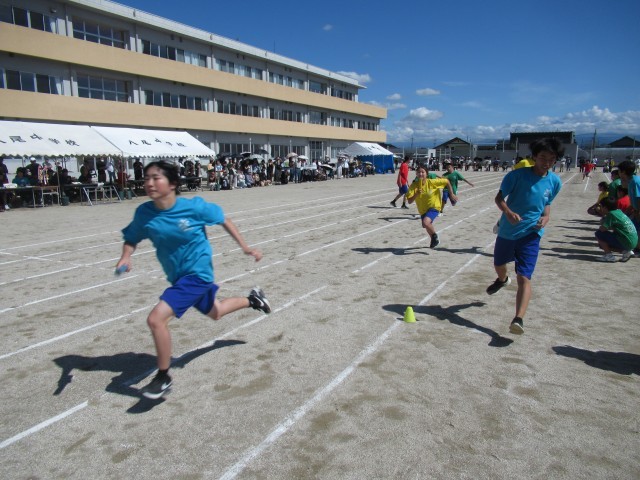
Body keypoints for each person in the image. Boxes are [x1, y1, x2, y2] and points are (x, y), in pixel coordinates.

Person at [116, 160, 271, 399]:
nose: (149, 183)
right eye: (146, 178)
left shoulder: (193, 208)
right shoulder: (145, 213)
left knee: (156, 319)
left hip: (197, 275)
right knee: (216, 312)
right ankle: (254, 300)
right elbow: (131, 237)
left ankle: (163, 377)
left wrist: (246, 247)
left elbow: (223, 219)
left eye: (156, 178)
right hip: (178, 278)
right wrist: (126, 256)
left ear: (172, 184)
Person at [486, 137, 564, 335]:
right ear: (534, 157)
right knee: (499, 264)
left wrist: (546, 217)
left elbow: (547, 204)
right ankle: (502, 279)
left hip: (531, 234)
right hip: (508, 231)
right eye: (543, 157)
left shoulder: (555, 182)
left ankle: (518, 319)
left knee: (524, 276)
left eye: (551, 159)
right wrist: (508, 212)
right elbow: (499, 198)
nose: (547, 162)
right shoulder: (516, 176)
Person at [406, 163, 457, 248]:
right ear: (416, 174)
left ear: (427, 174)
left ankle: (435, 236)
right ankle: (434, 239)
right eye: (419, 172)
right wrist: (416, 194)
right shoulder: (414, 186)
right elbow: (409, 201)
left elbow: (446, 181)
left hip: (434, 206)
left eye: (423, 172)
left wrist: (451, 194)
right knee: (425, 225)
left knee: (426, 222)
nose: (421, 174)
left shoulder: (432, 182)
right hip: (423, 210)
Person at [595, 196, 638, 262]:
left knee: (599, 234)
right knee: (606, 240)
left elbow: (602, 229)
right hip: (633, 241)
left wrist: (602, 215)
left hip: (627, 241)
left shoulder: (611, 214)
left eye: (601, 206)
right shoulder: (618, 211)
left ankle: (609, 256)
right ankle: (627, 252)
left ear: (605, 208)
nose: (600, 208)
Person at [616, 160, 640, 238]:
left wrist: (637, 213)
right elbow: (633, 202)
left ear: (623, 172)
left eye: (619, 171)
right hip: (635, 212)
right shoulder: (631, 182)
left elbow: (639, 199)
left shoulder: (635, 182)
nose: (618, 173)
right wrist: (625, 213)